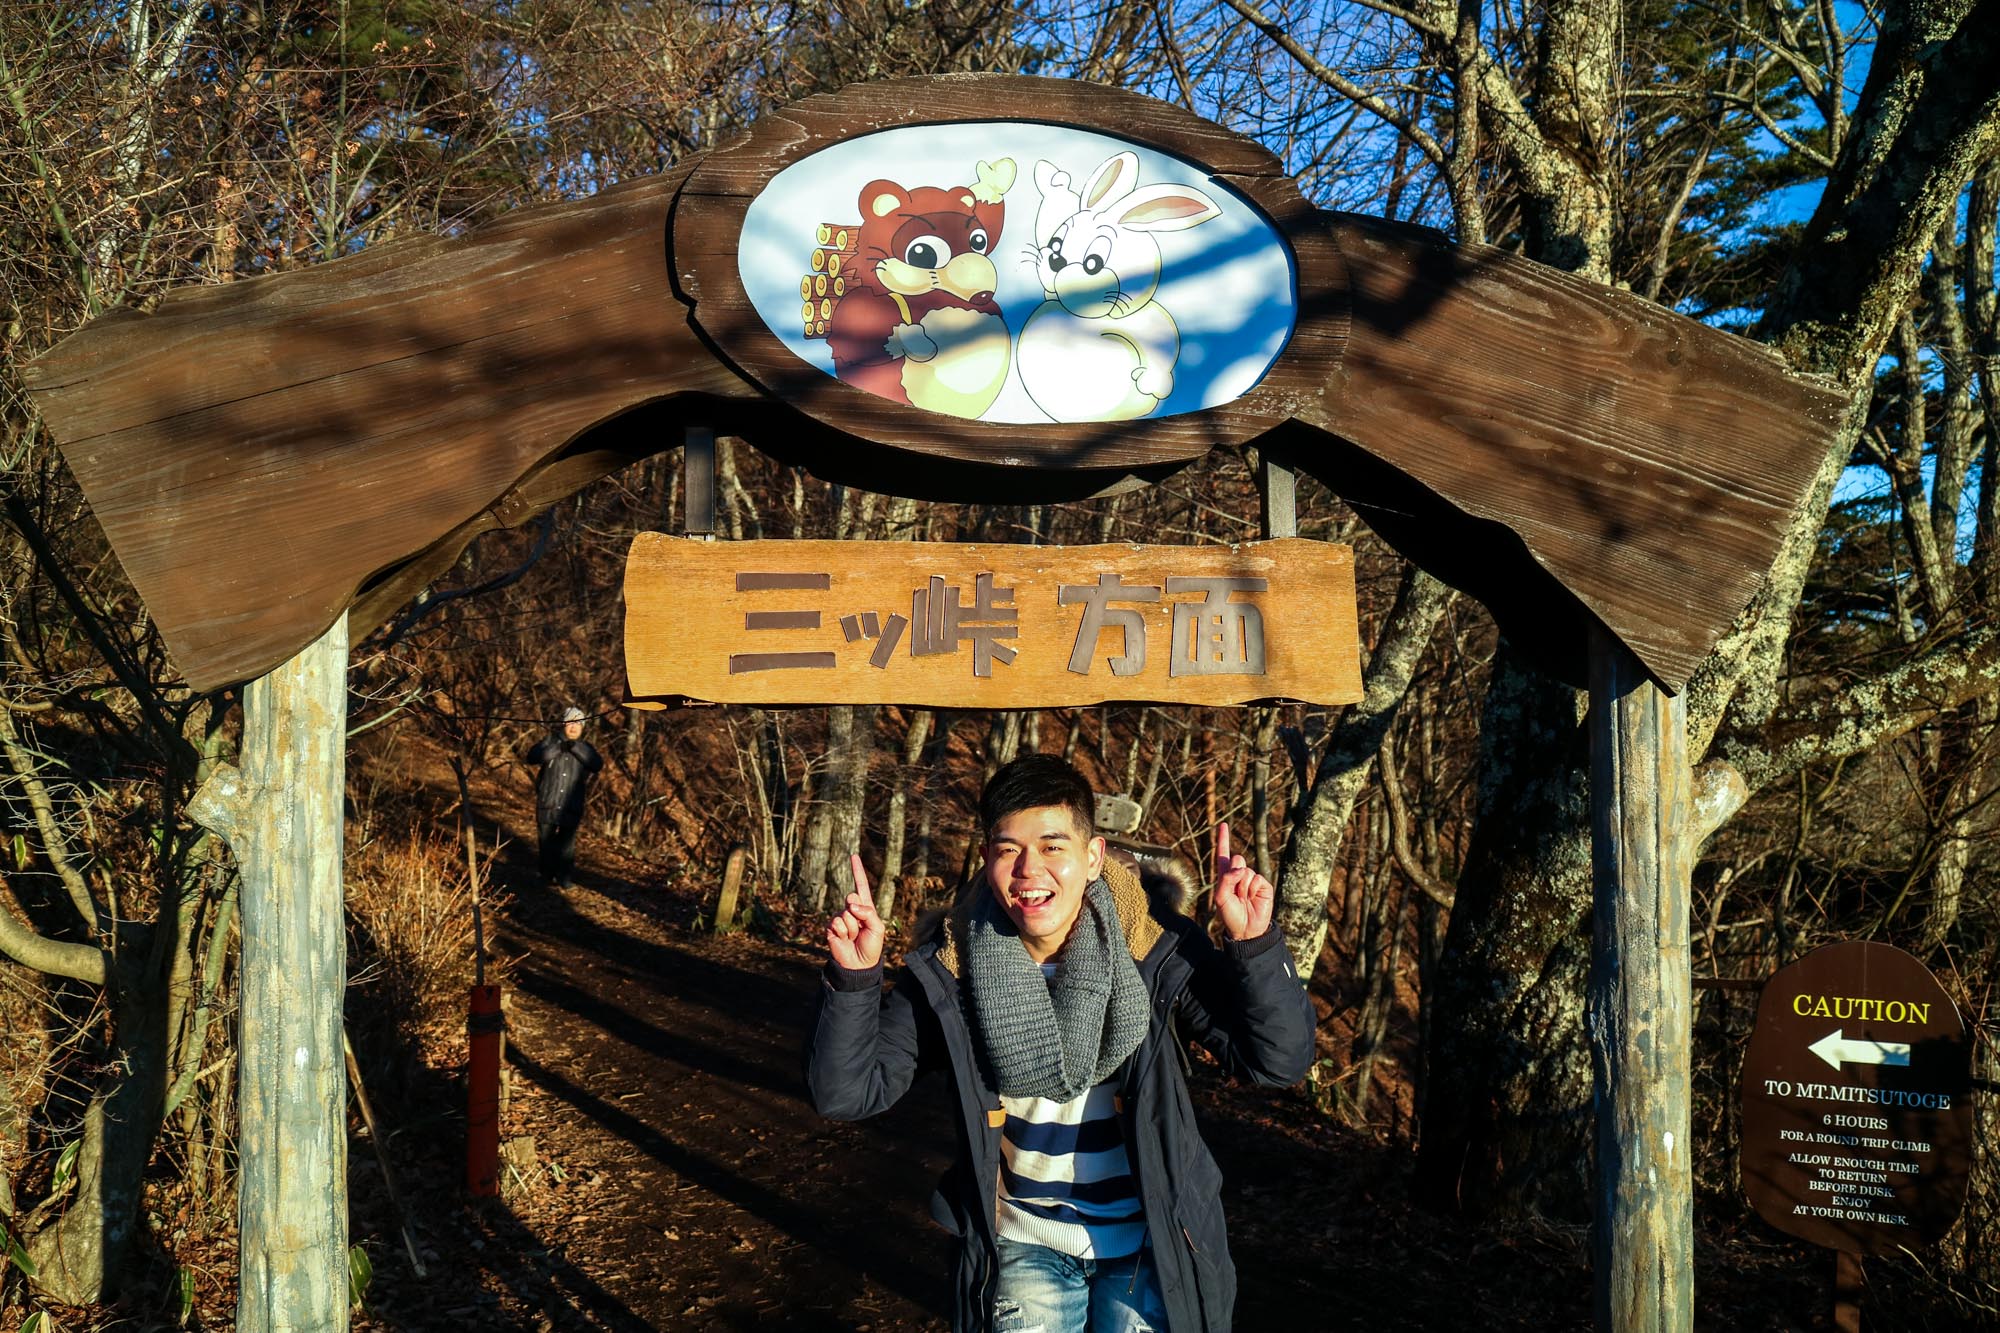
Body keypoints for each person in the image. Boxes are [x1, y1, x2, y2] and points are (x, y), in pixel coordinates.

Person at [806, 754, 1315, 1333]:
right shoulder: (952, 968)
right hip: (1024, 1240)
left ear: (1093, 856)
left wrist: (1254, 944)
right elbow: (846, 1095)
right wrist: (854, 981)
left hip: (1151, 1236)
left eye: (1053, 847)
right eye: (1008, 850)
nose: (1029, 871)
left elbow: (1276, 1063)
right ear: (986, 859)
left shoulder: (1155, 948)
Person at [525, 705, 602, 888]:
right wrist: (558, 748)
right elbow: (533, 757)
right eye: (570, 722)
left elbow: (596, 764)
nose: (573, 727)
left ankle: (564, 878)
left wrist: (574, 748)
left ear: (583, 727)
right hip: (548, 802)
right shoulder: (550, 741)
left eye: (578, 723)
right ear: (563, 724)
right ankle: (545, 876)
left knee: (567, 845)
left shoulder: (586, 747)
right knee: (546, 842)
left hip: (571, 804)